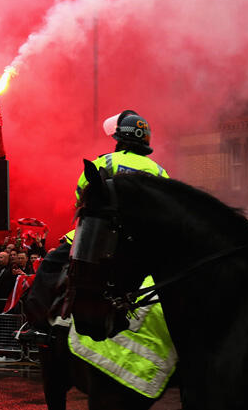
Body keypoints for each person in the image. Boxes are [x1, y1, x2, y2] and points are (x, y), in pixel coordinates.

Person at [68, 110, 177, 400]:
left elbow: (82, 197)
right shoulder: (159, 172)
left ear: (118, 139)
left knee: (52, 267)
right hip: (146, 253)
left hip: (101, 244)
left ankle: (39, 329)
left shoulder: (104, 163)